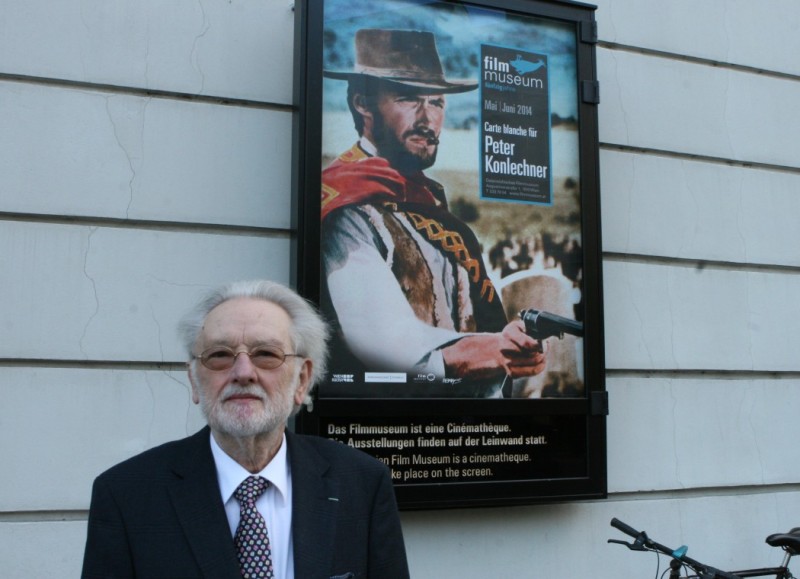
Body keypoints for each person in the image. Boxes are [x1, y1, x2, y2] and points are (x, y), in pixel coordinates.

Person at [82, 280, 410, 579]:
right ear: (194, 380)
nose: (242, 372)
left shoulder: (362, 484)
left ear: (302, 380)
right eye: (219, 355)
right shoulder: (126, 496)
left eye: (266, 354)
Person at [321, 29, 546, 397]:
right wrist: (490, 349)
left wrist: (509, 345)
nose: (428, 119)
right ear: (363, 103)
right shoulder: (345, 206)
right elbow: (384, 340)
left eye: (437, 102)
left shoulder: (424, 200)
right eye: (409, 99)